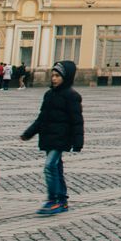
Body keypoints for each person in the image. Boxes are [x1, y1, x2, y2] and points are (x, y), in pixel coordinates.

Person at [20, 60, 84, 216]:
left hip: (62, 138)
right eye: (53, 75)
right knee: (56, 167)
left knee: (49, 166)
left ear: (66, 77)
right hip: (48, 137)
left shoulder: (72, 96)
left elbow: (77, 121)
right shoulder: (48, 95)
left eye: (58, 76)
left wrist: (78, 142)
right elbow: (41, 118)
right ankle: (62, 200)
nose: (54, 79)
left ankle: (53, 200)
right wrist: (29, 133)